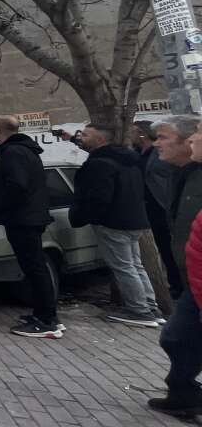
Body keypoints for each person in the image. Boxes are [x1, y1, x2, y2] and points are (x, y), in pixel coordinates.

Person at [65, 124, 161, 327]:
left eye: (86, 134)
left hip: (113, 222)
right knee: (135, 265)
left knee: (124, 266)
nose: (81, 137)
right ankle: (151, 307)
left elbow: (99, 197)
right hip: (135, 219)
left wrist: (89, 216)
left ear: (100, 139)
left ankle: (140, 311)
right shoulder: (127, 159)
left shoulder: (100, 164)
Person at [0, 115, 61, 338]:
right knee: (34, 267)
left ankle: (47, 320)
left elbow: (17, 185)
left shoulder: (12, 152)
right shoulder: (24, 150)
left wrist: (3, 205)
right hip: (28, 217)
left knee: (35, 268)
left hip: (22, 219)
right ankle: (43, 313)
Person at [149, 115, 202, 417]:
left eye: (164, 137)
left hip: (197, 278)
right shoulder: (180, 172)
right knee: (176, 337)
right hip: (191, 277)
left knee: (178, 336)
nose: (157, 143)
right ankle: (183, 393)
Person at [135, 120, 185, 300]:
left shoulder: (160, 154)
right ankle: (176, 285)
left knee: (172, 249)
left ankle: (180, 286)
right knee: (165, 249)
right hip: (149, 207)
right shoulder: (139, 152)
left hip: (163, 205)